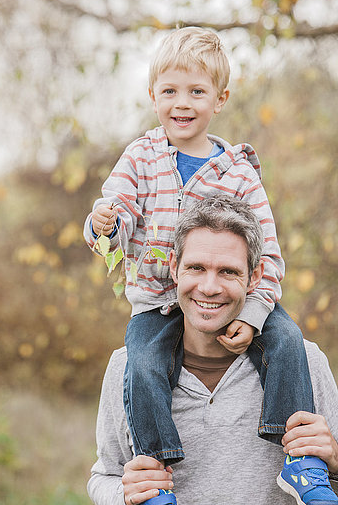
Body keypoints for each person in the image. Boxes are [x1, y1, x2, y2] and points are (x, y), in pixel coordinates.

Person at [84, 27, 315, 503]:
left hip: (239, 305)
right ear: (153, 96)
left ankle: (301, 461)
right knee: (144, 364)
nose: (181, 103)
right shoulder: (141, 157)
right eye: (169, 91)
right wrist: (105, 224)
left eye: (196, 91)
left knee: (289, 340)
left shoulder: (237, 171)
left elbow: (267, 252)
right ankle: (155, 471)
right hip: (156, 301)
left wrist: (253, 315)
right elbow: (118, 211)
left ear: (220, 98)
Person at [87, 197, 338, 505]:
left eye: (228, 272)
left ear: (255, 277)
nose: (209, 287)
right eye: (196, 267)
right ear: (175, 269)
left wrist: (335, 462)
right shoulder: (127, 367)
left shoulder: (305, 362)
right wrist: (123, 495)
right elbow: (104, 477)